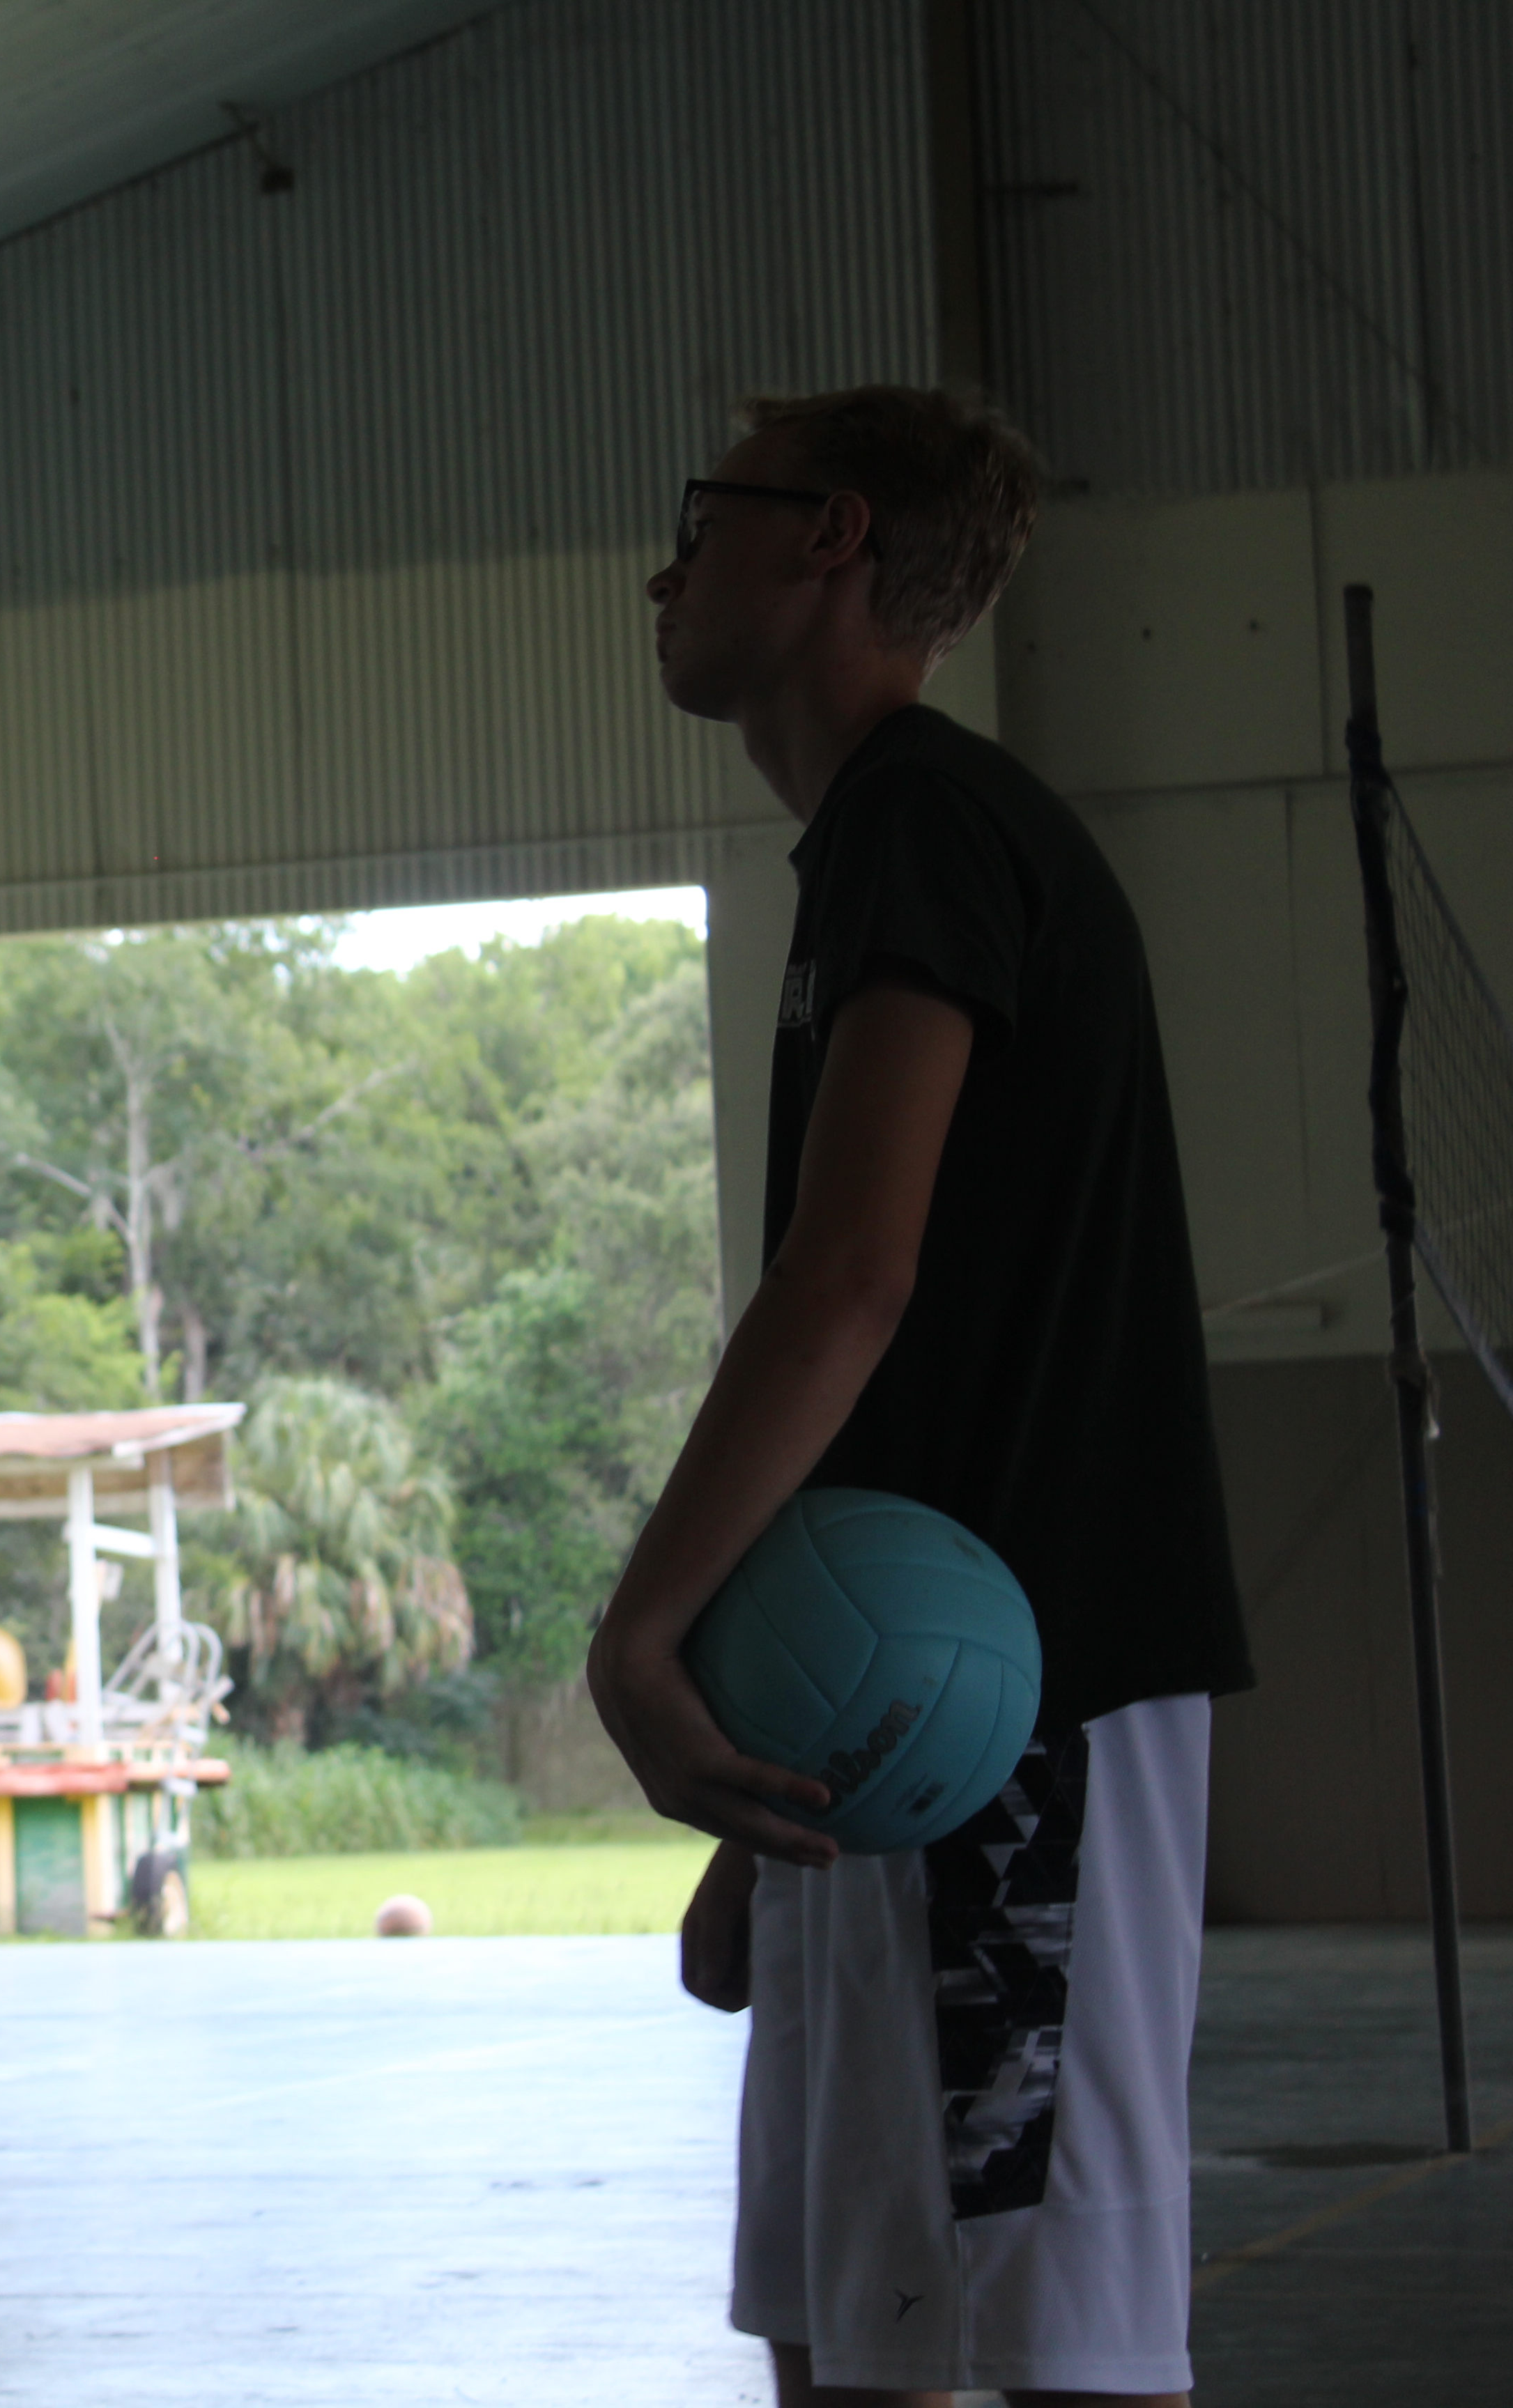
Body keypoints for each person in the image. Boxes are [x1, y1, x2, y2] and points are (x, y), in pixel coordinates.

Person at [595, 387, 1251, 2408]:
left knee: (1049, 2343)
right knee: (846, 2333)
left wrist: (642, 1637)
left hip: (1014, 1715)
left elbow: (852, 1277)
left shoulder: (929, 822)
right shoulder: (881, 842)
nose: (662, 569)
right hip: (884, 1729)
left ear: (831, 537)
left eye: (703, 516)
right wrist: (767, 1771)